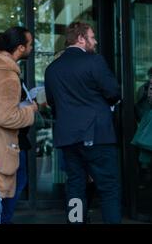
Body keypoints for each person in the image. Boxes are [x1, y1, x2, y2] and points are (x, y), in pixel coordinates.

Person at [44, 22, 122, 224]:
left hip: (68, 138)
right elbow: (113, 92)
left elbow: (53, 103)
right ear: (81, 38)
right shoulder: (94, 61)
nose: (94, 41)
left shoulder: (52, 69)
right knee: (109, 188)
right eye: (92, 37)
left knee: (75, 187)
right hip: (97, 135)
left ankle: (75, 222)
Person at [0, 27, 38, 224]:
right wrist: (30, 111)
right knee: (1, 205)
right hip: (1, 148)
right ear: (20, 48)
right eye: (30, 44)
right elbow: (5, 117)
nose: (32, 47)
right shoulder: (8, 76)